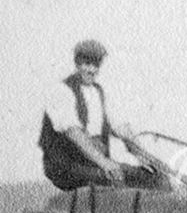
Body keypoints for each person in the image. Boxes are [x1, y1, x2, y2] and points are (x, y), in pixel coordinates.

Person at [38, 40, 170, 191]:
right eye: (87, 64)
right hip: (66, 167)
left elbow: (120, 128)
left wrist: (143, 156)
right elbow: (73, 132)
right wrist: (104, 162)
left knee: (157, 178)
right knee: (117, 178)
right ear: (77, 64)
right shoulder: (61, 91)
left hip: (93, 164)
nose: (91, 69)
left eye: (96, 65)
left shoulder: (98, 92)